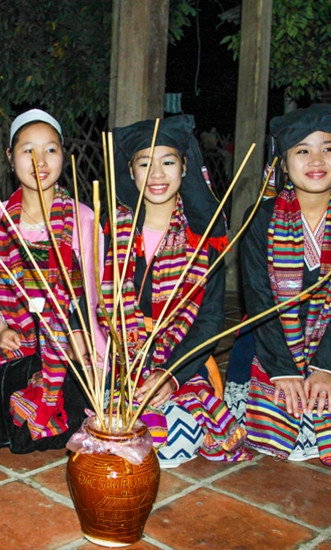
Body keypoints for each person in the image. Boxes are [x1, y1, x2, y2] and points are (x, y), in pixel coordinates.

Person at [226, 104, 331, 468]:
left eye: (328, 148)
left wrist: (327, 366)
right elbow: (259, 298)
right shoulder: (261, 218)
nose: (316, 159)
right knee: (276, 419)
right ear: (283, 164)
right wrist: (283, 370)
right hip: (268, 340)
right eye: (302, 150)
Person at [101, 115, 249, 467]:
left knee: (172, 442)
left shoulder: (203, 242)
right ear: (131, 172)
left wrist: (170, 375)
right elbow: (91, 300)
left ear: (185, 167)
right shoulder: (112, 233)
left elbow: (210, 320)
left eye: (167, 161)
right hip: (120, 359)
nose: (156, 174)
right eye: (144, 163)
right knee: (105, 425)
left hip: (178, 360)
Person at [0, 109, 105, 453]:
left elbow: (95, 296)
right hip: (20, 343)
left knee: (90, 402)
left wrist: (85, 343)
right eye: (28, 150)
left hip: (70, 345)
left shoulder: (82, 218)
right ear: (11, 158)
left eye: (51, 149)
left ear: (64, 157)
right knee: (4, 423)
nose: (40, 160)